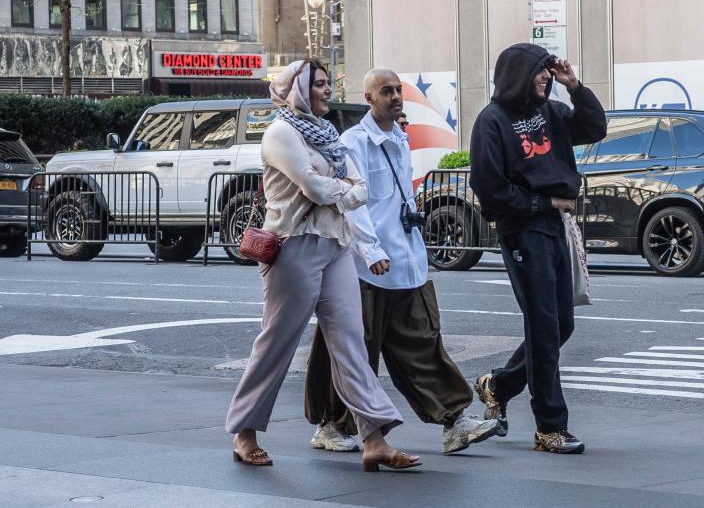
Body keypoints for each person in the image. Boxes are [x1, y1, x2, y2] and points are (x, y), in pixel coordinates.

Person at [225, 59, 421, 472]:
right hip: (294, 247)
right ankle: (245, 432)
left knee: (351, 342)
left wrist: (340, 191)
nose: (327, 89)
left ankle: (374, 439)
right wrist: (342, 190)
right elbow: (312, 186)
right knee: (276, 342)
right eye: (318, 84)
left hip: (336, 246)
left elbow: (360, 190)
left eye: (328, 82)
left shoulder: (328, 134)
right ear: (297, 90)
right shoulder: (280, 132)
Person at [304, 68, 500, 455]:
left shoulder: (398, 137)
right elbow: (354, 203)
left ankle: (454, 420)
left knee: (422, 343)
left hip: (406, 260)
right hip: (367, 267)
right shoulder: (353, 142)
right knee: (353, 349)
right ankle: (331, 424)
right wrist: (372, 251)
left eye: (398, 90)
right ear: (369, 97)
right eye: (386, 91)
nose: (395, 96)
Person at [468, 43, 606, 454]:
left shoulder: (551, 112)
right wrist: (541, 203)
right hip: (523, 230)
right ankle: (550, 427)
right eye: (538, 71)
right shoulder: (491, 122)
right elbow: (488, 188)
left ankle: (499, 384)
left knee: (561, 325)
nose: (546, 76)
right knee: (545, 326)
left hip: (555, 225)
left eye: (548, 70)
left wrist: (575, 86)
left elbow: (594, 128)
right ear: (515, 75)